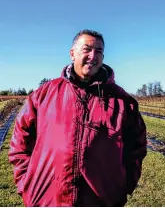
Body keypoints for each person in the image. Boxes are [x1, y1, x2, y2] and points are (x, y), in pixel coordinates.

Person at [8, 29, 147, 207]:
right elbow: (20, 141)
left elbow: (136, 147)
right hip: (48, 199)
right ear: (72, 54)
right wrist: (26, 183)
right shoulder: (43, 95)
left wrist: (122, 186)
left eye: (99, 51)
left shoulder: (122, 102)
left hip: (101, 201)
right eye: (87, 49)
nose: (92, 55)